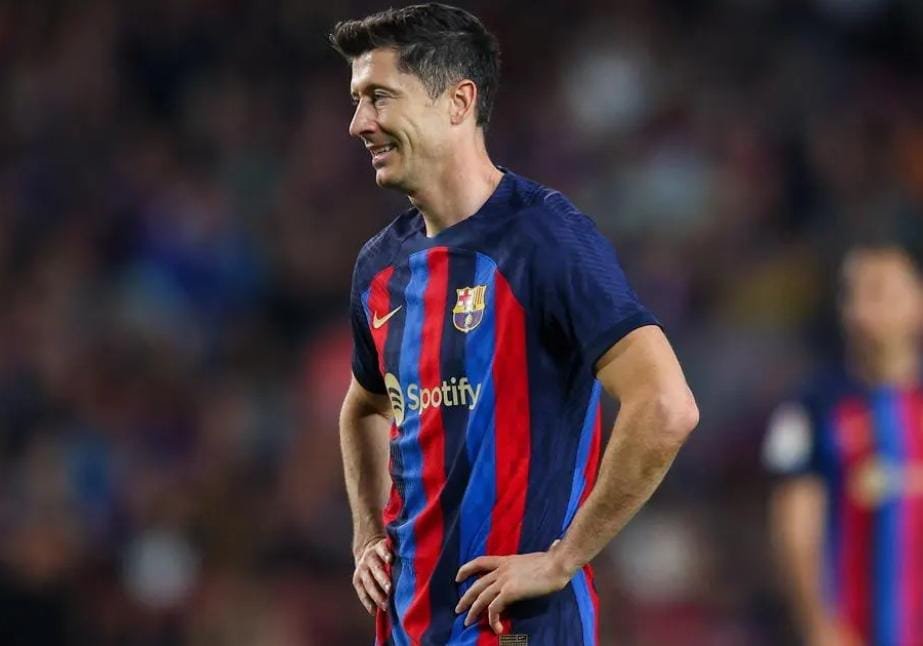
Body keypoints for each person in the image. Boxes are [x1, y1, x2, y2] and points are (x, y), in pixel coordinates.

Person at [332, 4, 698, 644]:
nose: (359, 123)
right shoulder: (380, 267)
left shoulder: (546, 238)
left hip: (517, 626)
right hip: (409, 625)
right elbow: (363, 406)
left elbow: (666, 406)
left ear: (458, 102)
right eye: (358, 100)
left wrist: (562, 559)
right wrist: (367, 534)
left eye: (380, 97)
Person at [764, 243, 923, 646]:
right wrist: (817, 624)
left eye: (878, 291)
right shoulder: (811, 406)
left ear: (917, 303)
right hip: (850, 630)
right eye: (851, 293)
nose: (860, 309)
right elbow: (795, 522)